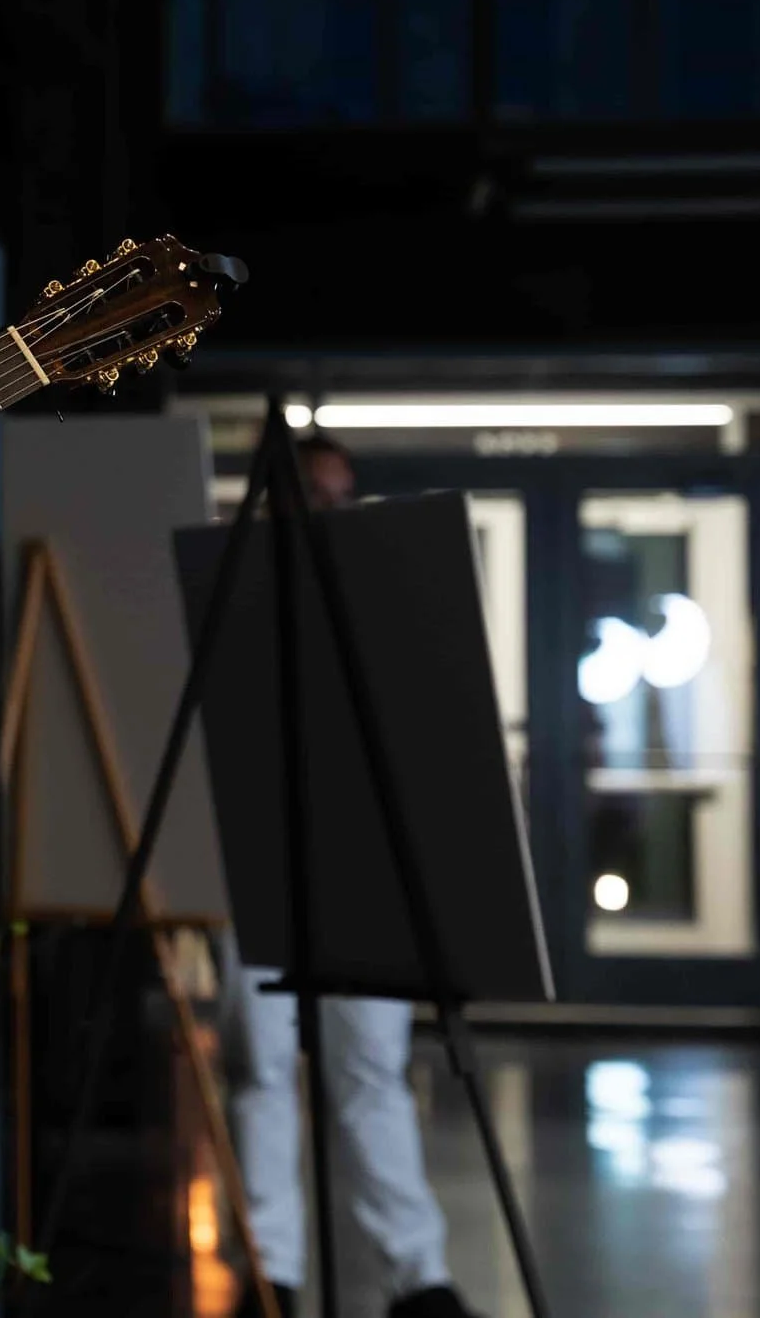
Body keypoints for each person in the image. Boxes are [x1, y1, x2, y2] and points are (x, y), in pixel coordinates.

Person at [227, 433, 478, 1318]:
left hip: (364, 857)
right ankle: (273, 1272)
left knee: (372, 1065)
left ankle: (418, 1276)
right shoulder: (238, 589)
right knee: (261, 1064)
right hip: (257, 849)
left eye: (343, 494)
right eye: (316, 492)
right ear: (280, 497)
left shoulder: (382, 594)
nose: (332, 510)